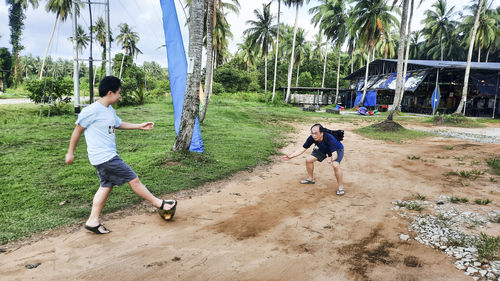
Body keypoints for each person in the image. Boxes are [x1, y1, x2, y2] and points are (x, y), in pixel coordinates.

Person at [65, 76, 177, 234]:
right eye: (119, 93)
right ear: (110, 93)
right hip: (105, 157)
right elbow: (77, 130)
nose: (120, 96)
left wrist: (139, 126)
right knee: (134, 179)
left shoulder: (109, 110)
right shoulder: (91, 111)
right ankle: (160, 204)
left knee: (106, 186)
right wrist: (70, 152)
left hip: (105, 157)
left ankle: (92, 221)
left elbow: (118, 124)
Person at [281, 123, 345, 196]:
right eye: (312, 133)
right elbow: (303, 148)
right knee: (308, 160)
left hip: (337, 150)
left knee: (335, 165)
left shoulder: (329, 138)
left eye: (316, 133)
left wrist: (331, 159)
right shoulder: (311, 138)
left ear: (321, 133)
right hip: (323, 149)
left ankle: (340, 187)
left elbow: (334, 154)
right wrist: (290, 156)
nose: (314, 136)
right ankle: (310, 179)